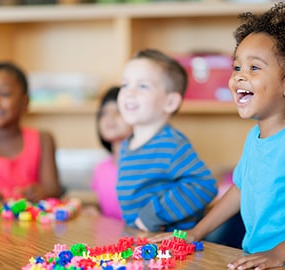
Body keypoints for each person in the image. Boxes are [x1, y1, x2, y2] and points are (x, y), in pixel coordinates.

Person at [150, 3, 285, 269]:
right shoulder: (255, 137)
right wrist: (194, 234)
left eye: (254, 68)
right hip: (261, 261)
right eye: (237, 68)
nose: (240, 77)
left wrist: (278, 254)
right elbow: (239, 191)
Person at [116, 48, 218, 232]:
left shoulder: (171, 144)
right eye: (125, 85)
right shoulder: (126, 145)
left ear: (170, 102)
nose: (129, 93)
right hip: (140, 242)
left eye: (142, 86)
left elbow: (203, 186)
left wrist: (153, 215)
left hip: (169, 248)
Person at [0, 61, 62, 209]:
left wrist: (41, 192)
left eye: (4, 94)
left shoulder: (43, 140)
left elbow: (53, 189)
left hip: (32, 228)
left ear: (25, 102)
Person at [90, 86, 132, 219]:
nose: (110, 118)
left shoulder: (145, 167)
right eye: (104, 113)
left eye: (119, 111)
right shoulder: (100, 168)